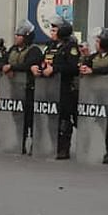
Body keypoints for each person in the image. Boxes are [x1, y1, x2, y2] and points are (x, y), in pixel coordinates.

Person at [32, 15, 80, 160]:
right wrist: (37, 67)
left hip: (64, 88)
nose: (52, 32)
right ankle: (51, 145)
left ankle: (63, 148)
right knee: (49, 116)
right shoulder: (50, 46)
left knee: (63, 119)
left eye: (54, 30)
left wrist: (55, 69)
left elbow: (72, 67)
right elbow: (44, 61)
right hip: (48, 87)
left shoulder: (70, 47)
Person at [80, 27, 108, 165]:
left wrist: (93, 71)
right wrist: (84, 60)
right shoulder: (95, 56)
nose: (96, 43)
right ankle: (100, 148)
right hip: (97, 94)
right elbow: (85, 65)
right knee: (100, 123)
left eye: (98, 41)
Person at [1, 20, 43, 155]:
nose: (16, 37)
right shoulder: (12, 49)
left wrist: (12, 67)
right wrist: (5, 67)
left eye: (19, 35)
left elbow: (29, 64)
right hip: (15, 88)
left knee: (30, 118)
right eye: (16, 35)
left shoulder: (34, 50)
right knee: (17, 117)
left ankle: (35, 144)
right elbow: (3, 61)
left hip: (29, 88)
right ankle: (20, 142)